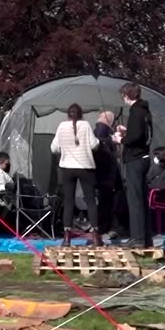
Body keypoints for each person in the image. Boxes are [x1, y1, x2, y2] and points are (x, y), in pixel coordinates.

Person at [51, 103, 101, 246]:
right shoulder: (85, 125)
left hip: (67, 168)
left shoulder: (61, 126)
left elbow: (54, 148)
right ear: (81, 114)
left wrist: (65, 150)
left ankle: (67, 238)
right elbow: (93, 145)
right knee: (91, 201)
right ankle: (96, 236)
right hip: (86, 167)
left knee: (68, 202)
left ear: (68, 114)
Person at [114, 82, 153, 248]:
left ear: (126, 96)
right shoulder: (145, 111)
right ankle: (146, 237)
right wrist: (127, 130)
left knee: (135, 200)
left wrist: (120, 139)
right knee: (142, 199)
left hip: (135, 160)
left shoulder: (136, 112)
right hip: (144, 157)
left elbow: (135, 138)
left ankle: (137, 238)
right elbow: (142, 134)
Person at [92, 110, 121, 238]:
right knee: (106, 200)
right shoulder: (102, 129)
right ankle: (104, 227)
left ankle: (105, 226)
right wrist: (112, 140)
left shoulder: (99, 129)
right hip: (105, 170)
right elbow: (101, 144)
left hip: (103, 170)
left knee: (105, 199)